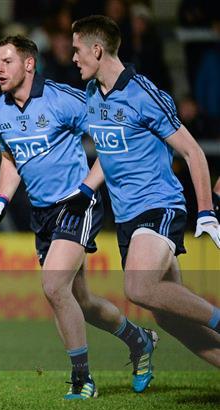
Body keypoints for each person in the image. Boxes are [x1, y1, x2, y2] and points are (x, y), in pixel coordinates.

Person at [0, 35, 156, 400]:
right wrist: (0, 201)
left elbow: (111, 138)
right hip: (42, 214)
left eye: (7, 61)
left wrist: (89, 188)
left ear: (29, 64)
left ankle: (82, 379)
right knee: (82, 300)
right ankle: (139, 340)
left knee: (53, 286)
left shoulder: (62, 98)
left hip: (76, 204)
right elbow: (11, 158)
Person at [70, 15, 220, 368]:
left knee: (138, 289)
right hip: (127, 218)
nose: (73, 57)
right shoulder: (93, 94)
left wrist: (207, 212)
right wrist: (84, 190)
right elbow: (110, 152)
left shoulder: (143, 94)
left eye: (77, 50)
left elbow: (193, 152)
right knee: (170, 317)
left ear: (97, 49)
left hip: (158, 207)